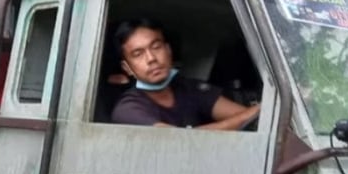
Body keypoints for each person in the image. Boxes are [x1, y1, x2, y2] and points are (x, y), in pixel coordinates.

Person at [110, 18, 260, 130]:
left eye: (156, 47)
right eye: (138, 54)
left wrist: (256, 112)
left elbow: (252, 118)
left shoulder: (188, 88)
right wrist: (252, 113)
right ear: (127, 68)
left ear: (168, 50)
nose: (151, 59)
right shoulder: (128, 108)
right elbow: (180, 142)